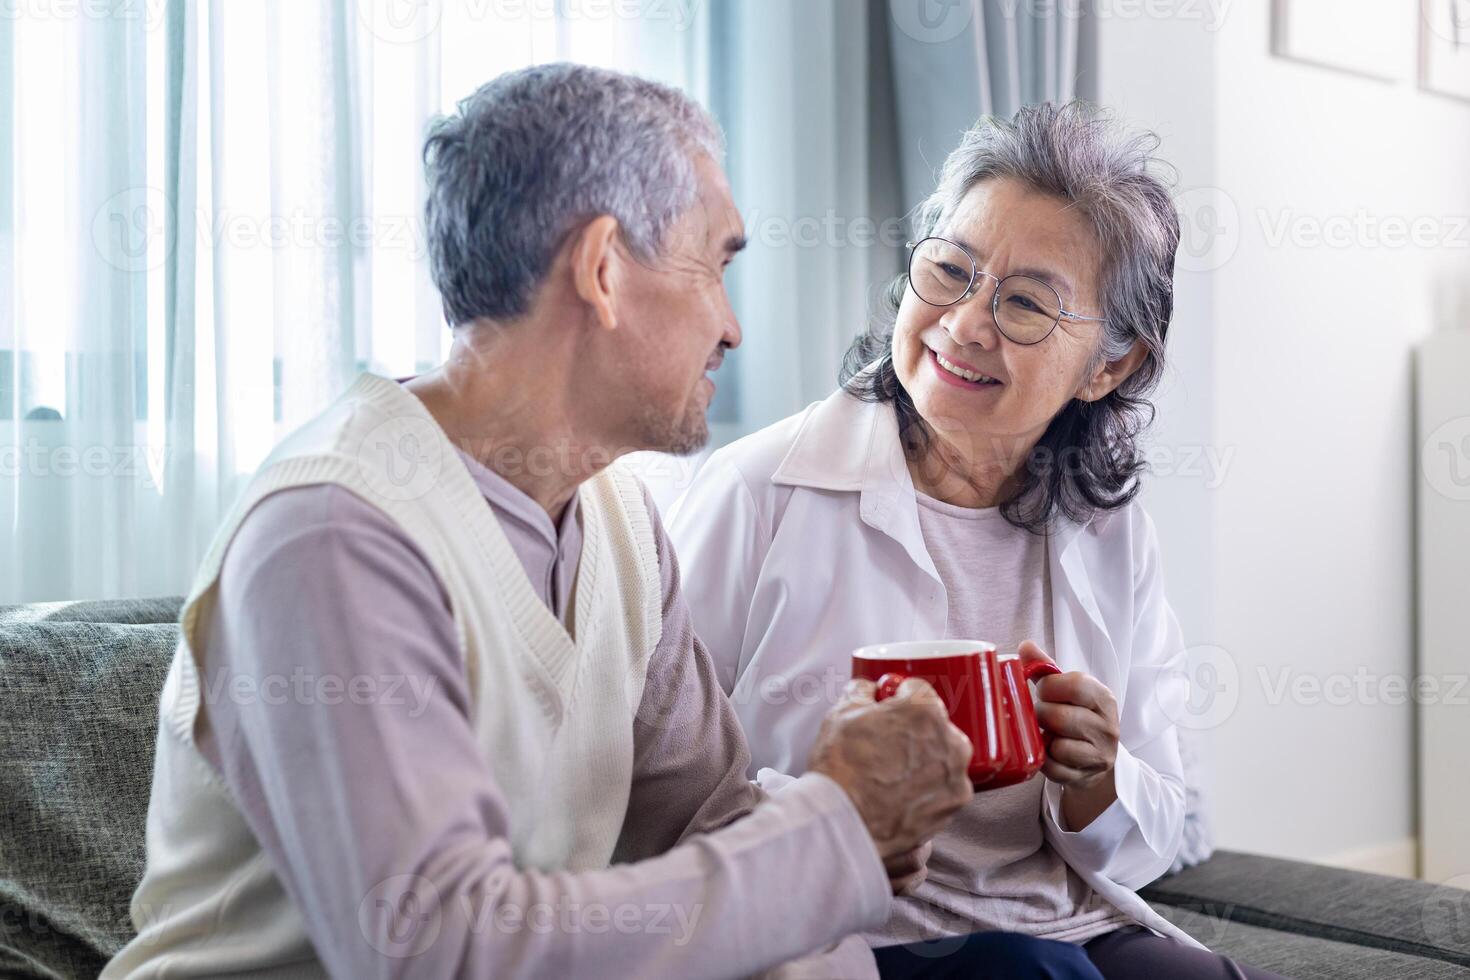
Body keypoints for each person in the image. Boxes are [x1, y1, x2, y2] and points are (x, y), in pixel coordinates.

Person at [99, 63, 1046, 979]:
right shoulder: (332, 533)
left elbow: (716, 828)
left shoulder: (620, 521)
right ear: (602, 268)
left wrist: (851, 848)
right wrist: (838, 829)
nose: (732, 325)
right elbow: (442, 952)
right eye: (716, 265)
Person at [669, 102, 1287, 980]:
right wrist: (840, 804)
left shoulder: (1108, 526)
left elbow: (1168, 827)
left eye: (1026, 303)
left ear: (1110, 367)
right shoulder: (757, 492)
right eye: (950, 270)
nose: (964, 323)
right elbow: (660, 793)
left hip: (1073, 928)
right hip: (855, 942)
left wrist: (1100, 781)